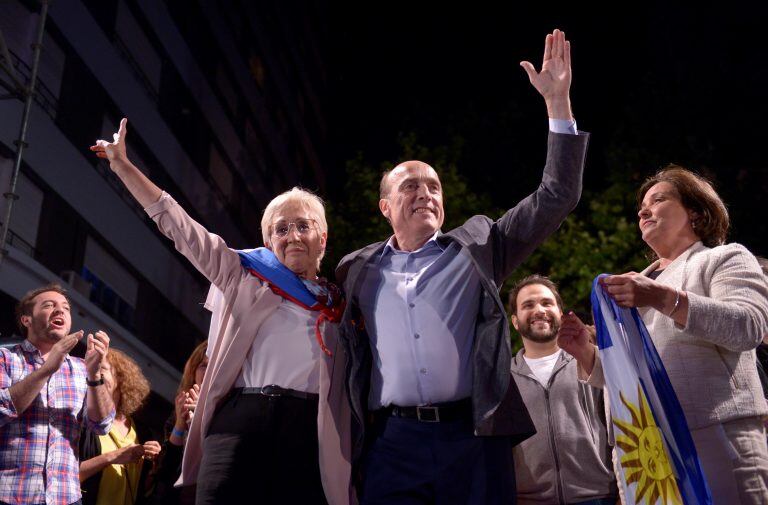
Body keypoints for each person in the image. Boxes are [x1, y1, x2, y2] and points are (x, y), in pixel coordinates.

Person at [335, 29, 589, 504]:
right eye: (411, 186)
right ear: (385, 206)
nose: (426, 193)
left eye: (433, 186)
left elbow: (557, 196)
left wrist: (558, 105)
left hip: (472, 436)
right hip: (392, 443)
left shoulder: (478, 246)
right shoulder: (355, 271)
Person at [90, 124, 353, 505]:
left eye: (304, 226)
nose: (293, 236)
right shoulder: (241, 274)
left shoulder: (340, 303)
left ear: (323, 239)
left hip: (308, 429)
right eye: (281, 229)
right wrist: (122, 166)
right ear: (268, 242)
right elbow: (180, 227)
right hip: (241, 423)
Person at [560, 165, 768, 504]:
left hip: (713, 434)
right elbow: (631, 375)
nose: (643, 210)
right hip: (644, 452)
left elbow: (747, 327)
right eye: (642, 205)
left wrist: (661, 297)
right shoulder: (634, 287)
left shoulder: (725, 258)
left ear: (696, 213)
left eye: (658, 200)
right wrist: (586, 353)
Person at [0, 284, 114, 505]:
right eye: (49, 305)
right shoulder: (5, 358)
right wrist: (47, 368)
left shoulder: (82, 368)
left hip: (66, 497)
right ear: (27, 320)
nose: (60, 311)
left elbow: (102, 425)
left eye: (65, 307)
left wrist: (94, 375)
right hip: (10, 495)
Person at [508, 275, 617, 505]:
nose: (539, 310)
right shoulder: (503, 378)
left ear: (560, 312)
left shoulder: (591, 359)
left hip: (598, 497)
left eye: (547, 303)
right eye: (528, 305)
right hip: (530, 501)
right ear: (515, 322)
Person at [79, 348, 161, 505]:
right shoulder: (82, 421)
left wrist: (153, 468)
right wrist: (111, 457)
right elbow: (63, 476)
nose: (93, 373)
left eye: (101, 368)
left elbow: (144, 490)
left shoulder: (142, 432)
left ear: (122, 379)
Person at [148, 341, 207, 505]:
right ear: (193, 372)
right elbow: (165, 469)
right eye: (203, 365)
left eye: (213, 366)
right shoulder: (179, 411)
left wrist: (201, 415)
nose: (208, 371)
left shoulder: (227, 409)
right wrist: (180, 424)